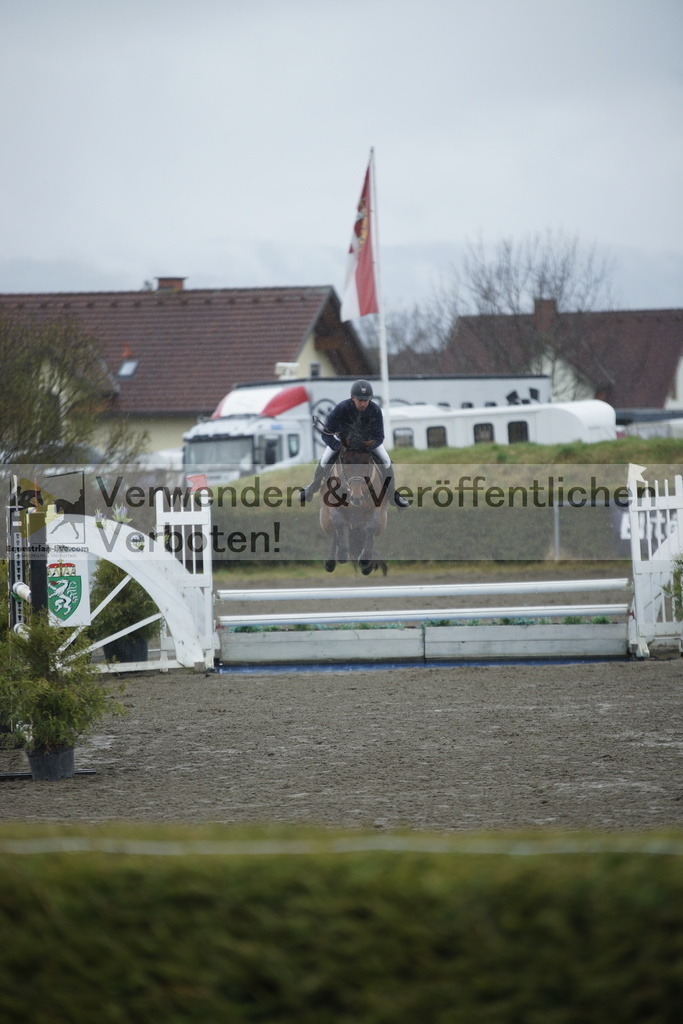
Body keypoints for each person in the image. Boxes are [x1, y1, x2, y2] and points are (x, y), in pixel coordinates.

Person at [300, 379, 409, 508]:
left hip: (367, 444)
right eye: (360, 400)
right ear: (352, 398)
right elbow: (325, 433)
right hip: (343, 442)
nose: (363, 403)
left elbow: (380, 437)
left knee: (386, 461)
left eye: (366, 400)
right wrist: (337, 446)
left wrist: (368, 446)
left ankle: (393, 496)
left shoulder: (375, 410)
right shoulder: (341, 408)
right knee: (324, 460)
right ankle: (312, 488)